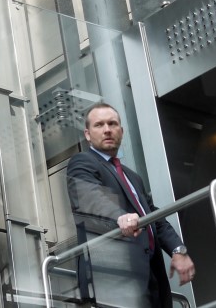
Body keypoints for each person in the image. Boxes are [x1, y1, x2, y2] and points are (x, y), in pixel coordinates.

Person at [66, 102, 195, 308]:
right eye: (99, 125)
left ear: (121, 131)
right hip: (112, 279)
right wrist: (119, 216)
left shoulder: (132, 177)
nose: (107, 129)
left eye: (112, 123)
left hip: (150, 277)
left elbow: (154, 217)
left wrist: (178, 250)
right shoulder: (82, 162)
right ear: (88, 134)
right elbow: (91, 199)